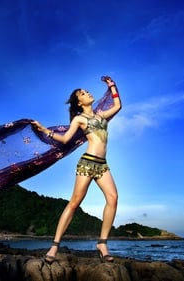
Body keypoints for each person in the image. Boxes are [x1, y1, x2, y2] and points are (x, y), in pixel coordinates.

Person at [31, 76, 122, 263]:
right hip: (87, 162)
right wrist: (43, 129)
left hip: (103, 165)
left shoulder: (101, 115)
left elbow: (118, 106)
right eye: (82, 93)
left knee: (113, 198)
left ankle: (102, 243)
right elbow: (65, 140)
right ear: (79, 102)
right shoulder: (79, 119)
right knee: (74, 203)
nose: (87, 93)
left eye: (86, 91)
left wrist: (112, 86)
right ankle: (54, 247)